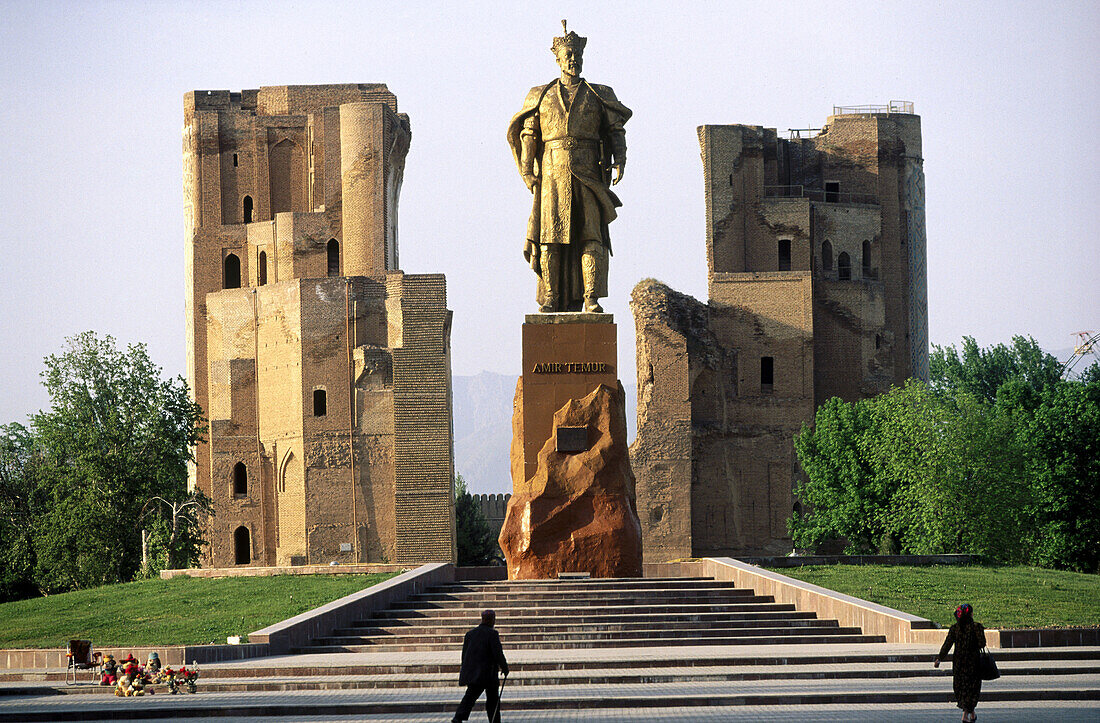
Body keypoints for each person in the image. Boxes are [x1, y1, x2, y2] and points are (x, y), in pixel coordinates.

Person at [507, 20, 632, 314]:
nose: (573, 60)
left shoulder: (599, 93)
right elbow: (529, 133)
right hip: (551, 172)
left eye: (577, 55)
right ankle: (550, 297)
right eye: (568, 55)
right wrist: (527, 170)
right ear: (558, 59)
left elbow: (615, 130)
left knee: (592, 235)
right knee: (551, 236)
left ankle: (591, 297)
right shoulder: (541, 94)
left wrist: (621, 158)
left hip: (588, 171)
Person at [451, 609, 509, 723]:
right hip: (489, 674)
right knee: (492, 700)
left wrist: (466, 670)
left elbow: (465, 655)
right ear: (492, 620)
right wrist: (505, 667)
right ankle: (494, 721)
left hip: (474, 673)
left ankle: (458, 717)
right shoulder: (492, 634)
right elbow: (498, 653)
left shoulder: (470, 634)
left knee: (470, 697)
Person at [934, 603, 987, 722]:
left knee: (961, 688)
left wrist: (939, 658)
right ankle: (966, 714)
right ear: (971, 614)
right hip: (974, 663)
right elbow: (982, 643)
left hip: (959, 663)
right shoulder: (976, 627)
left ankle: (970, 713)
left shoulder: (955, 628)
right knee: (973, 689)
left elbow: (947, 644)